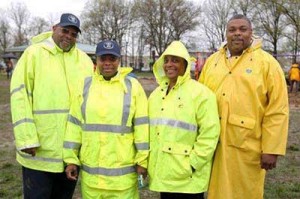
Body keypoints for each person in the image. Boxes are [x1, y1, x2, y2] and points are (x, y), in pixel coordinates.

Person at [199, 14, 289, 199]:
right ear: (226, 33)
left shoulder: (267, 63)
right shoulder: (213, 61)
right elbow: (198, 99)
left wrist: (272, 148)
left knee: (245, 191)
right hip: (212, 143)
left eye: (242, 29)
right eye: (232, 30)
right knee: (215, 190)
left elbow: (277, 109)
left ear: (251, 33)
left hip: (247, 145)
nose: (237, 34)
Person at [10, 13, 94, 199]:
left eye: (73, 34)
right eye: (65, 30)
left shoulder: (84, 61)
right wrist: (26, 139)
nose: (68, 36)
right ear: (54, 28)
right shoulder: (33, 54)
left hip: (70, 155)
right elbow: (20, 96)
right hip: (38, 152)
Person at [63, 40, 149, 199]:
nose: (107, 63)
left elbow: (142, 127)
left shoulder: (132, 86)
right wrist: (71, 159)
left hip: (123, 180)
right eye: (103, 59)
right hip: (92, 179)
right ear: (96, 60)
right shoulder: (85, 86)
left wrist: (142, 161)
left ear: (119, 61)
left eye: (112, 59)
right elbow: (74, 125)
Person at [148, 41, 220, 199]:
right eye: (166, 60)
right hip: (164, 174)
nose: (169, 65)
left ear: (185, 64)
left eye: (175, 60)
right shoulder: (156, 95)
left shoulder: (201, 94)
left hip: (188, 178)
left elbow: (210, 133)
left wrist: (193, 164)